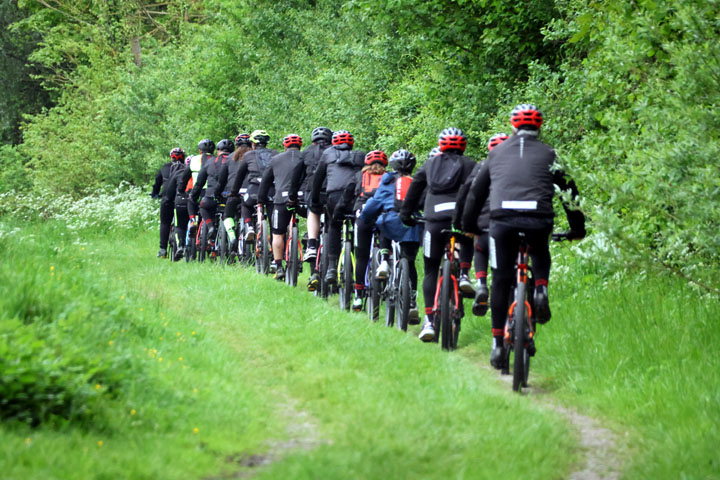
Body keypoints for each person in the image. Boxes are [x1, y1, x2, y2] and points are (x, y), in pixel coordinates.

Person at [461, 104, 586, 369]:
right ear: (539, 126)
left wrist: (469, 225)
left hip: (502, 221)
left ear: (513, 126)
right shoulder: (551, 153)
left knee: (502, 280)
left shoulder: (496, 154)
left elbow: (475, 194)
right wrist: (577, 228)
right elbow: (569, 192)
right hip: (538, 218)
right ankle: (540, 290)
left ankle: (496, 346)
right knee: (540, 249)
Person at [399, 127, 477, 342]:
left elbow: (415, 188)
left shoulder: (430, 164)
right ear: (463, 145)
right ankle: (463, 274)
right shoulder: (471, 165)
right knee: (467, 233)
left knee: (431, 267)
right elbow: (478, 190)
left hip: (434, 220)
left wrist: (406, 213)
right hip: (459, 217)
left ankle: (430, 321)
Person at [359, 149, 422, 321]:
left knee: (382, 222)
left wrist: (365, 218)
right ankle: (412, 303)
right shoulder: (416, 182)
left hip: (390, 220)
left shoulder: (387, 181)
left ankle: (385, 261)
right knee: (410, 263)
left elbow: (376, 202)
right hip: (412, 226)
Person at [453, 133, 509, 316]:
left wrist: (464, 224)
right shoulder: (517, 166)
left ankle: (482, 284)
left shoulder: (482, 166)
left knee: (481, 247)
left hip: (486, 223)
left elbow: (467, 194)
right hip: (514, 223)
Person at [309, 130, 365, 286]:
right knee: (358, 227)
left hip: (333, 197)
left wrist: (314, 201)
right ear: (351, 144)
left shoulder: (327, 154)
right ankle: (357, 261)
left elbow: (317, 180)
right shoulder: (360, 155)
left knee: (334, 225)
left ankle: (332, 267)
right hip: (355, 197)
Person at [339, 150, 388, 310]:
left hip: (363, 215)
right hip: (383, 215)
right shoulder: (389, 177)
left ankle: (358, 296)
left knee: (362, 256)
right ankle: (386, 265)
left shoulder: (359, 177)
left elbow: (347, 196)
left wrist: (340, 212)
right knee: (386, 247)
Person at [289, 126, 333, 291]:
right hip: (331, 193)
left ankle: (312, 248)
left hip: (312, 194)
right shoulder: (333, 151)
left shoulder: (306, 152)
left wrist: (292, 197)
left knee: (312, 214)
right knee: (332, 229)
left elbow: (296, 176)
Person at [257, 134, 304, 280]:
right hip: (303, 199)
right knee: (315, 223)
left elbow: (265, 182)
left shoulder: (275, 160)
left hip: (281, 200)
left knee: (277, 233)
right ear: (300, 146)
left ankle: (278, 266)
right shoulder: (305, 158)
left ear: (285, 146)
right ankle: (310, 248)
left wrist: (261, 200)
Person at [228, 130, 279, 242]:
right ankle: (275, 240)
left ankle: (249, 226)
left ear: (253, 144)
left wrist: (234, 192)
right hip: (272, 189)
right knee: (272, 215)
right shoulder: (275, 153)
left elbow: (239, 176)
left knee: (245, 205)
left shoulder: (248, 155)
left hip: (254, 189)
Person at [190, 139, 234, 247]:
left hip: (211, 196)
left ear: (218, 150)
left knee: (203, 207)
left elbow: (199, 183)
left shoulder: (210, 162)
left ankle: (210, 226)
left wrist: (193, 197)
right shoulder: (234, 161)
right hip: (230, 197)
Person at [217, 133, 253, 253]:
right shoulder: (254, 157)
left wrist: (218, 193)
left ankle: (232, 236)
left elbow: (222, 180)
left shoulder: (229, 158)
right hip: (251, 193)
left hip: (234, 193)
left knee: (227, 215)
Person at [177, 139, 215, 249]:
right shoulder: (215, 160)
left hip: (196, 190)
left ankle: (193, 220)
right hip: (210, 191)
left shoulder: (193, 160)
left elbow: (184, 177)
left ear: (199, 150)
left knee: (191, 200)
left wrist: (180, 190)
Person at [152, 147, 187, 257]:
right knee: (182, 223)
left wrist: (154, 194)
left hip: (167, 198)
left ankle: (162, 249)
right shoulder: (186, 168)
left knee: (165, 223)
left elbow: (157, 184)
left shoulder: (165, 168)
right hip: (182, 198)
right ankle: (183, 245)